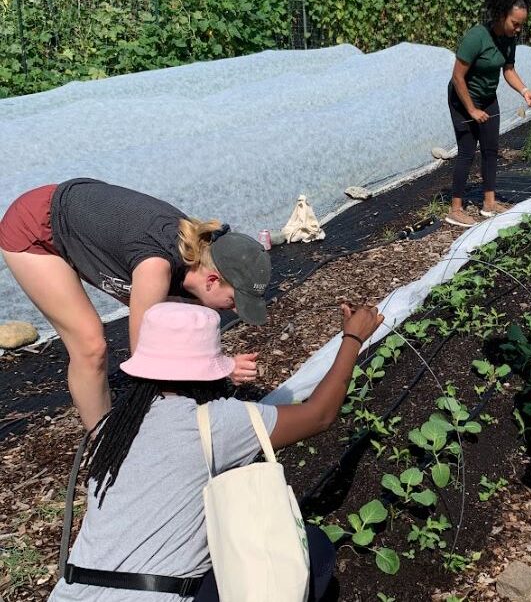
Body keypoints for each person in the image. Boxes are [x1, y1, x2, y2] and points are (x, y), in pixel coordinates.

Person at [49, 300, 384, 601]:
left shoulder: (116, 424)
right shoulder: (217, 421)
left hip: (70, 593)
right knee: (313, 548)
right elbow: (319, 414)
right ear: (209, 371)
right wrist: (353, 338)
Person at [0, 178, 271, 431]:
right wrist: (220, 368)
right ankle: (103, 442)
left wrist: (220, 367)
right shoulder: (156, 266)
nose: (235, 310)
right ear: (212, 280)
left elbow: (179, 336)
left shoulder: (200, 253)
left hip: (83, 217)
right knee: (90, 346)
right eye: (234, 301)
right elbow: (144, 357)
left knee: (181, 316)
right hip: (35, 227)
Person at [445, 0, 531, 228]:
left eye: (521, 25)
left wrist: (525, 91)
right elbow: (457, 77)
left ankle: (489, 203)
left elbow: (508, 70)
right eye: (515, 23)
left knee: (490, 149)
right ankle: (455, 208)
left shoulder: (509, 39)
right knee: (467, 151)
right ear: (501, 15)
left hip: (488, 98)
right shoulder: (477, 37)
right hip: (462, 98)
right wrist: (471, 109)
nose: (518, 29)